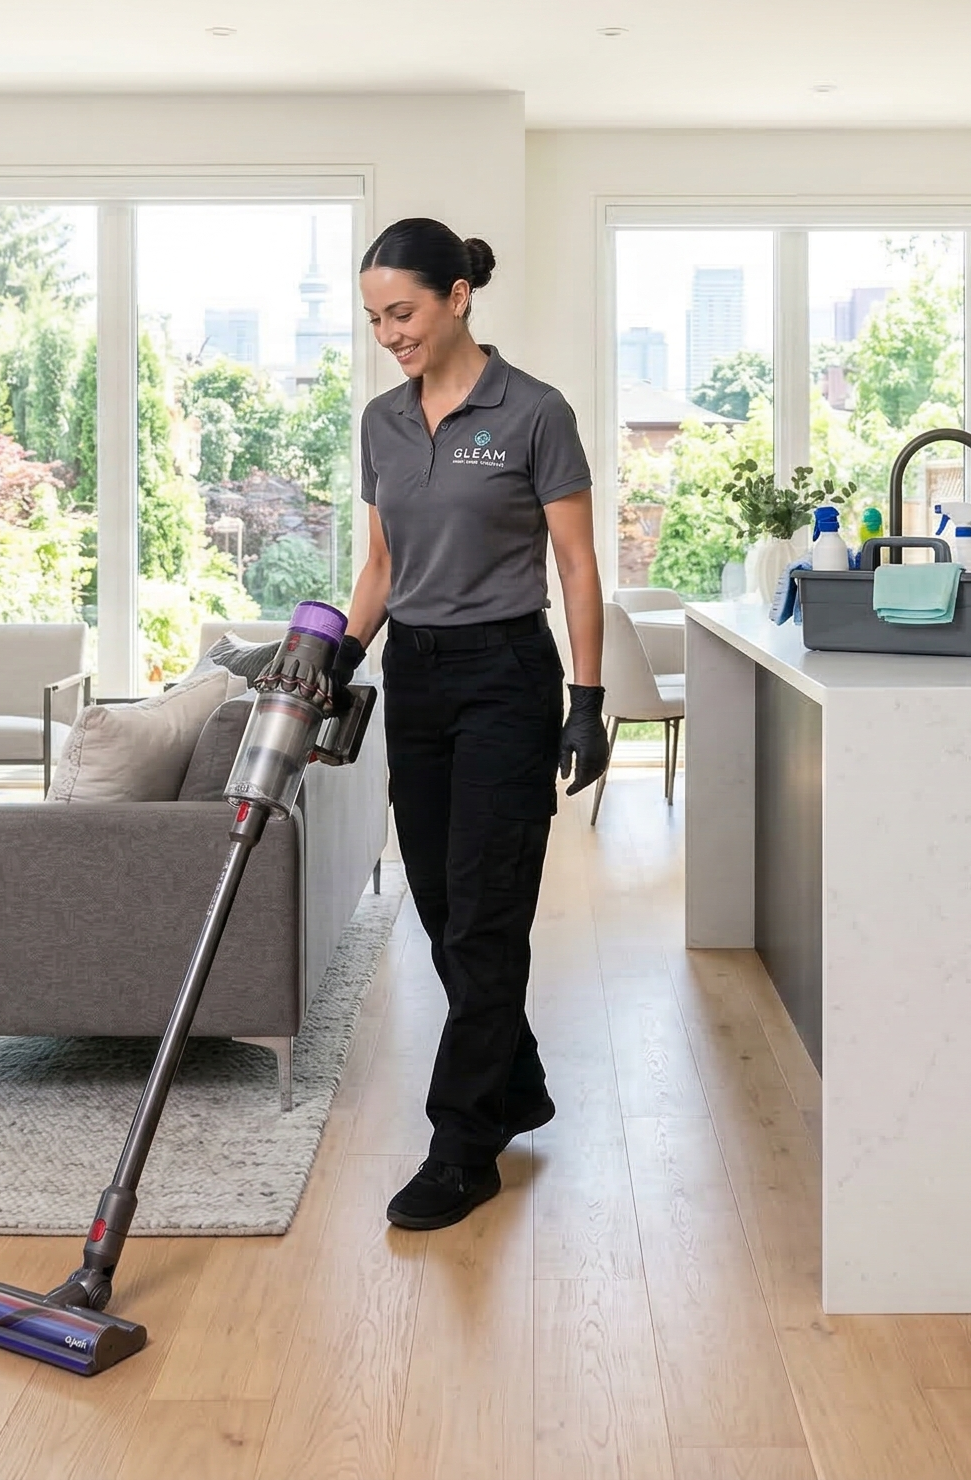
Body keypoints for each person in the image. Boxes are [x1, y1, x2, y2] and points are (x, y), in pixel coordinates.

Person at [318, 217, 610, 1231]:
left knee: (487, 918)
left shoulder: (532, 411)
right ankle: (514, 1079)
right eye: (373, 319)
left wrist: (586, 700)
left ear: (456, 296)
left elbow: (575, 563)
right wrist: (335, 661)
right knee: (444, 909)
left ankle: (462, 1143)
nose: (388, 333)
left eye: (401, 312)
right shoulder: (381, 422)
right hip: (420, 681)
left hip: (507, 676)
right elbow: (382, 567)